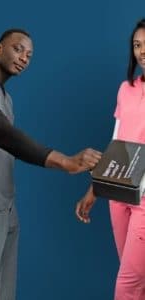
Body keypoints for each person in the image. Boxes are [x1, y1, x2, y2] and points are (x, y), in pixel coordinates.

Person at [0, 28, 102, 300]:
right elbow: (4, 135)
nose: (24, 58)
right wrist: (64, 161)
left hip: (6, 206)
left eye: (29, 55)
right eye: (18, 49)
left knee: (4, 294)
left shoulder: (5, 98)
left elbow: (7, 147)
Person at [76, 19, 145, 300]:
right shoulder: (125, 89)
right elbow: (117, 142)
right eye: (137, 45)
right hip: (118, 195)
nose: (142, 51)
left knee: (127, 286)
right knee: (137, 281)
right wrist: (95, 188)